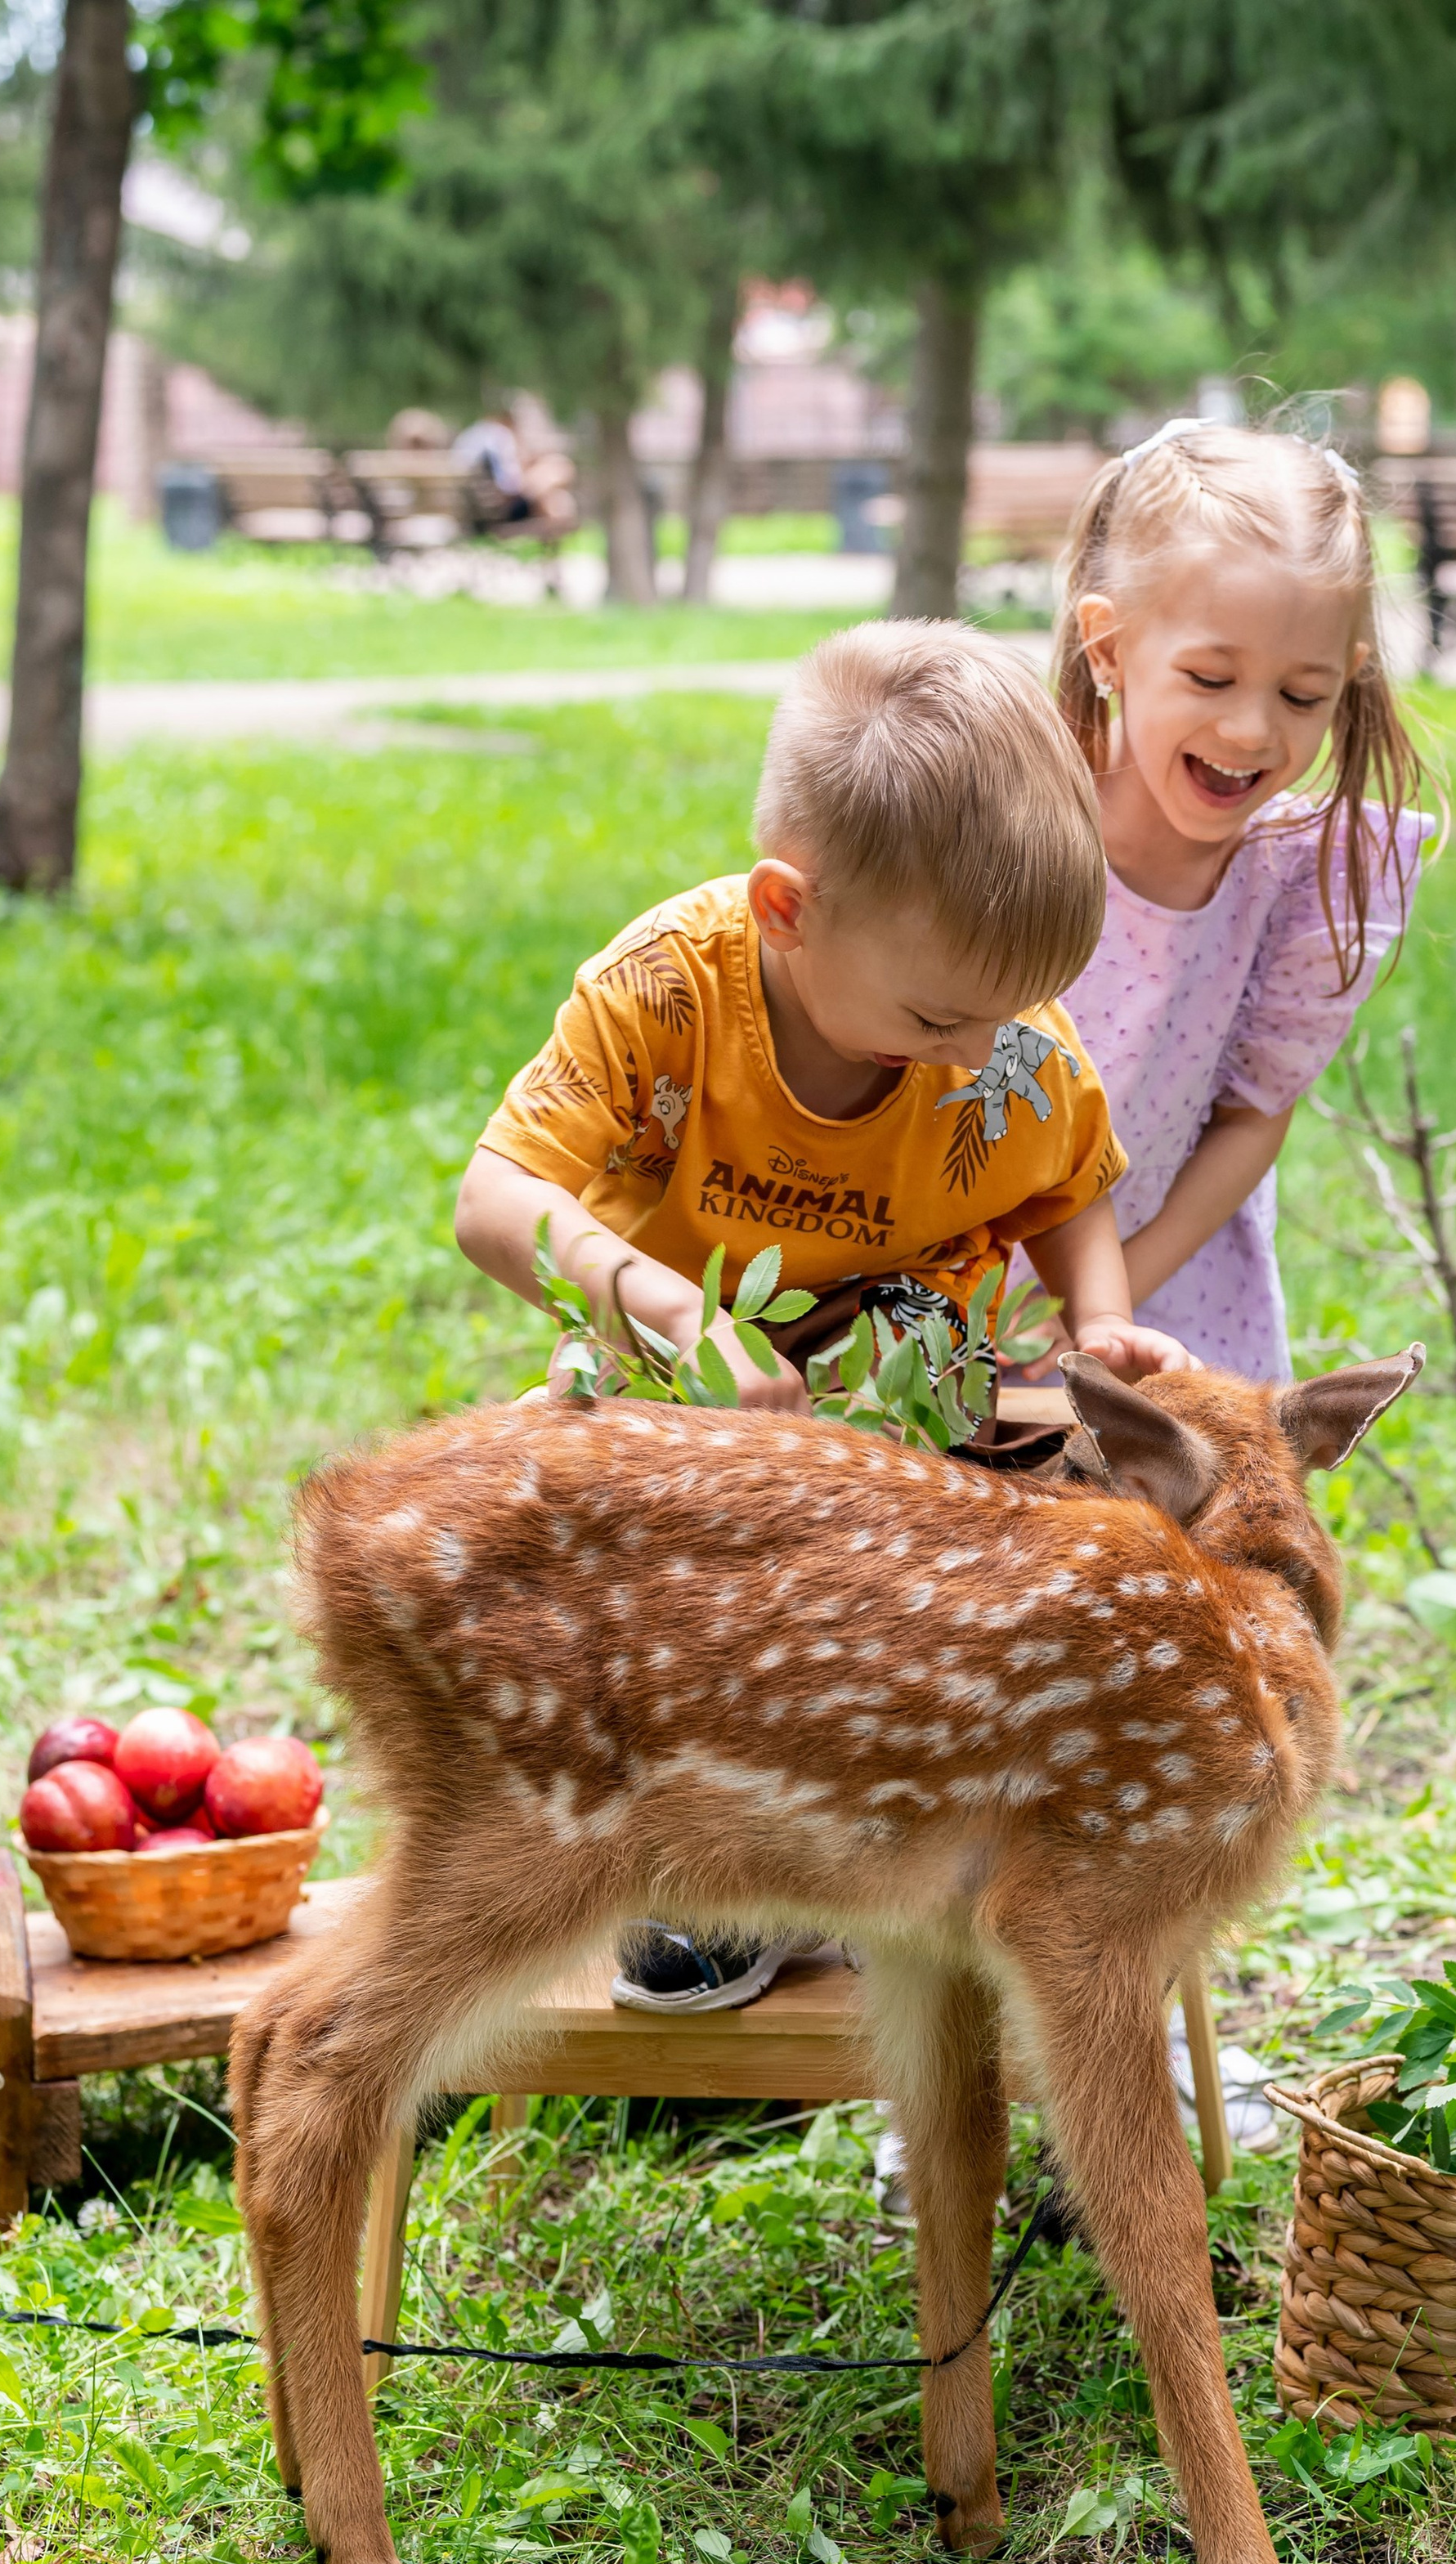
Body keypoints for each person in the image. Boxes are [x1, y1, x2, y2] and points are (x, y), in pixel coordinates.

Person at [455, 619, 1191, 2010]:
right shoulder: (665, 993)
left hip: (927, 1388)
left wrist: (1099, 1323)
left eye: (1009, 1018)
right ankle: (714, 1877)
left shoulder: (1001, 1028)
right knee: (639, 1580)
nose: (982, 1057)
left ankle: (921, 1846)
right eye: (936, 1022)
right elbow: (495, 1201)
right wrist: (681, 1318)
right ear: (787, 909)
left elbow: (1067, 1177)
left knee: (1079, 1513)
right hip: (688, 1413)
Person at [1039, 417, 1434, 1384]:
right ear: (1107, 647)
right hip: (956, 1273)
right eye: (1209, 678)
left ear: (1346, 680)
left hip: (1170, 1288)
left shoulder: (1307, 873)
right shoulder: (1011, 821)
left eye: (1302, 697)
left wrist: (1105, 1311)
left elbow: (1254, 1113)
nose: (1252, 728)